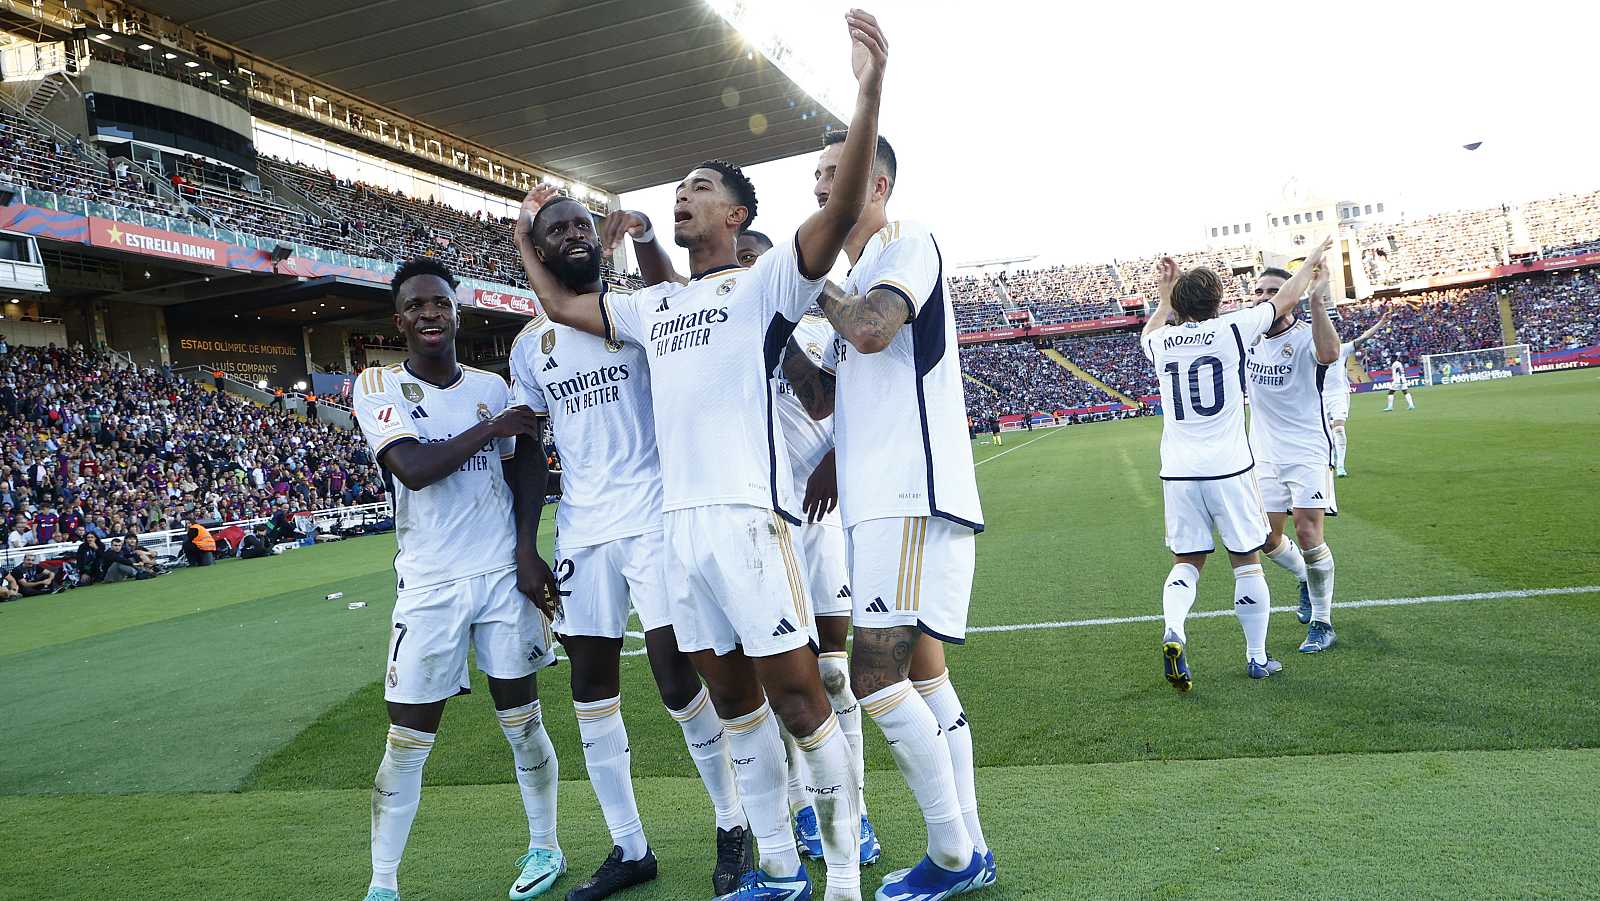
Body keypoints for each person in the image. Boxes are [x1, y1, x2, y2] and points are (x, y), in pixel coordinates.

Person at [515, 14, 886, 899]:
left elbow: (836, 212)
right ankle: (777, 867)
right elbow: (566, 310)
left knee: (801, 700)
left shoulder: (766, 284)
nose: (682, 197)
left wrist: (867, 91)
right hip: (677, 534)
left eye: (700, 188)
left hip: (751, 522)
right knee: (734, 705)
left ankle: (840, 876)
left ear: (738, 214)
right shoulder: (651, 309)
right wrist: (528, 237)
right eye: (678, 188)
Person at [508, 196, 753, 900]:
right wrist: (528, 546)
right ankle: (630, 845)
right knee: (590, 687)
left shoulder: (639, 313)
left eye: (582, 225)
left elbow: (673, 295)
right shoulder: (532, 346)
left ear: (597, 239)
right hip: (583, 527)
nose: (574, 236)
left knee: (679, 680)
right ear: (544, 251)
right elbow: (529, 446)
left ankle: (732, 822)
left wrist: (643, 236)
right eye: (558, 230)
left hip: (654, 516)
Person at [807, 129, 992, 895]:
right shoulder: (852, 277)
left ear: (875, 185)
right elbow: (821, 389)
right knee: (922, 677)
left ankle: (951, 852)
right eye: (816, 179)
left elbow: (873, 330)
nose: (821, 189)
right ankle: (970, 847)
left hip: (908, 495)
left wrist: (811, 283)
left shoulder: (907, 243)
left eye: (835, 175)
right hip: (880, 504)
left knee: (875, 680)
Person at [351, 258, 562, 901]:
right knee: (407, 737)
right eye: (416, 305)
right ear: (400, 321)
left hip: (501, 572)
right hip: (429, 583)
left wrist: (527, 551)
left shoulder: (494, 386)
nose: (429, 313)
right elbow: (413, 468)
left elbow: (526, 470)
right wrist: (491, 428)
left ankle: (543, 848)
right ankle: (383, 884)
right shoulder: (376, 385)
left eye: (439, 302)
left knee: (522, 720)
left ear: (456, 311)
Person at [736, 228, 881, 869]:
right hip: (763, 521)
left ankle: (854, 807)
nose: (745, 272)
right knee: (778, 681)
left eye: (754, 261)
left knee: (832, 671)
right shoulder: (722, 334)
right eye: (737, 262)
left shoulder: (824, 320)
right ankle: (802, 807)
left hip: (823, 518)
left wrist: (833, 460)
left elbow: (857, 404)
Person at [1139, 236, 1332, 690]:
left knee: (1186, 562)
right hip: (1228, 468)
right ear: (1219, 302)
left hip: (1178, 471)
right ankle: (1257, 657)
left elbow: (1150, 330)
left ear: (1179, 306)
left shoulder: (1161, 342)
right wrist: (1313, 261)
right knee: (1246, 562)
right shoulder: (1232, 329)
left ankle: (1174, 630)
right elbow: (1287, 297)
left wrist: (1164, 296)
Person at [1245, 264, 1341, 654]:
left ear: (1291, 294)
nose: (1264, 297)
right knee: (1266, 539)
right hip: (1263, 453)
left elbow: (1331, 353)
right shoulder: (1247, 336)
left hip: (1307, 449)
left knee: (1306, 531)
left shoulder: (1305, 336)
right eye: (1259, 291)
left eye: (1273, 290)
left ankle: (1322, 621)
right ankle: (1304, 577)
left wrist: (1317, 299)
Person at [1323, 310, 1389, 476]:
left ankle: (1340, 466)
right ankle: (1330, 458)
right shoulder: (1313, 352)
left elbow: (1364, 337)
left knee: (1338, 429)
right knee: (1324, 432)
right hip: (1320, 397)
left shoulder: (1342, 350)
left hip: (1338, 394)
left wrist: (1381, 323)